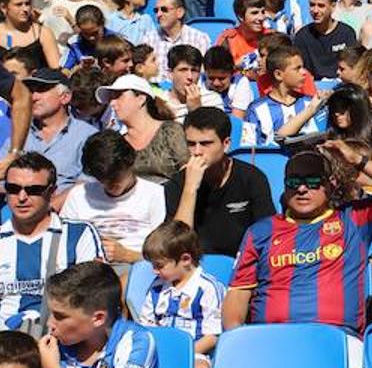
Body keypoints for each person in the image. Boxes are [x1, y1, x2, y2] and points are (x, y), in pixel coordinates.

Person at [224, 143, 372, 336]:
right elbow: (237, 297)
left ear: (331, 184)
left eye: (312, 182)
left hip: (338, 338)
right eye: (293, 182)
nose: (302, 189)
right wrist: (240, 344)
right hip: (274, 341)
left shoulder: (353, 220)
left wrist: (358, 160)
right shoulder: (260, 232)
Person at [0, 152, 102, 331]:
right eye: (13, 188)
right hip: (2, 340)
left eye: (34, 190)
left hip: (61, 336)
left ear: (52, 192)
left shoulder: (78, 235)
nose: (22, 197)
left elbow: (92, 294)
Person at [165, 107, 275, 258]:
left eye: (205, 143)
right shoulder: (177, 183)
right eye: (191, 144)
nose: (197, 151)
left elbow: (267, 234)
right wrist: (190, 188)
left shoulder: (251, 178)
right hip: (195, 266)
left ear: (226, 144)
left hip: (243, 264)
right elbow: (177, 245)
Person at [137, 219, 223, 368]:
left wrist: (181, 354)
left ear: (185, 259)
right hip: (160, 352)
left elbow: (212, 336)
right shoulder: (156, 289)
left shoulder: (207, 288)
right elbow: (146, 327)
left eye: (159, 265)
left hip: (195, 353)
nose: (154, 271)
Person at [59, 130, 165, 267]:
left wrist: (127, 255)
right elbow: (63, 244)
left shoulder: (154, 194)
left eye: (115, 176)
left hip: (136, 267)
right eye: (102, 178)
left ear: (130, 163)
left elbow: (165, 255)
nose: (110, 183)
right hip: (88, 270)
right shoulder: (79, 195)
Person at [95, 72, 187, 184]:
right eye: (111, 98)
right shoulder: (119, 143)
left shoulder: (171, 131)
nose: (112, 103)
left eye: (119, 96)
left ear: (141, 99)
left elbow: (188, 170)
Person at [19, 67, 96, 192]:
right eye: (31, 91)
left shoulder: (87, 136)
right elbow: (1, 180)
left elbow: (88, 185)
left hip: (68, 209)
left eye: (41, 90)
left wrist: (50, 206)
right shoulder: (20, 135)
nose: (34, 97)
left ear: (65, 97)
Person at [242, 44, 324, 148]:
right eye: (297, 68)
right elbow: (247, 150)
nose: (304, 72)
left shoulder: (312, 103)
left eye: (303, 67)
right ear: (278, 75)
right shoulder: (255, 110)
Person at [294, 0, 357, 81]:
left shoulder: (346, 33)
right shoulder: (301, 36)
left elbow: (352, 68)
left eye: (321, 6)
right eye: (312, 5)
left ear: (333, 6)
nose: (315, 10)